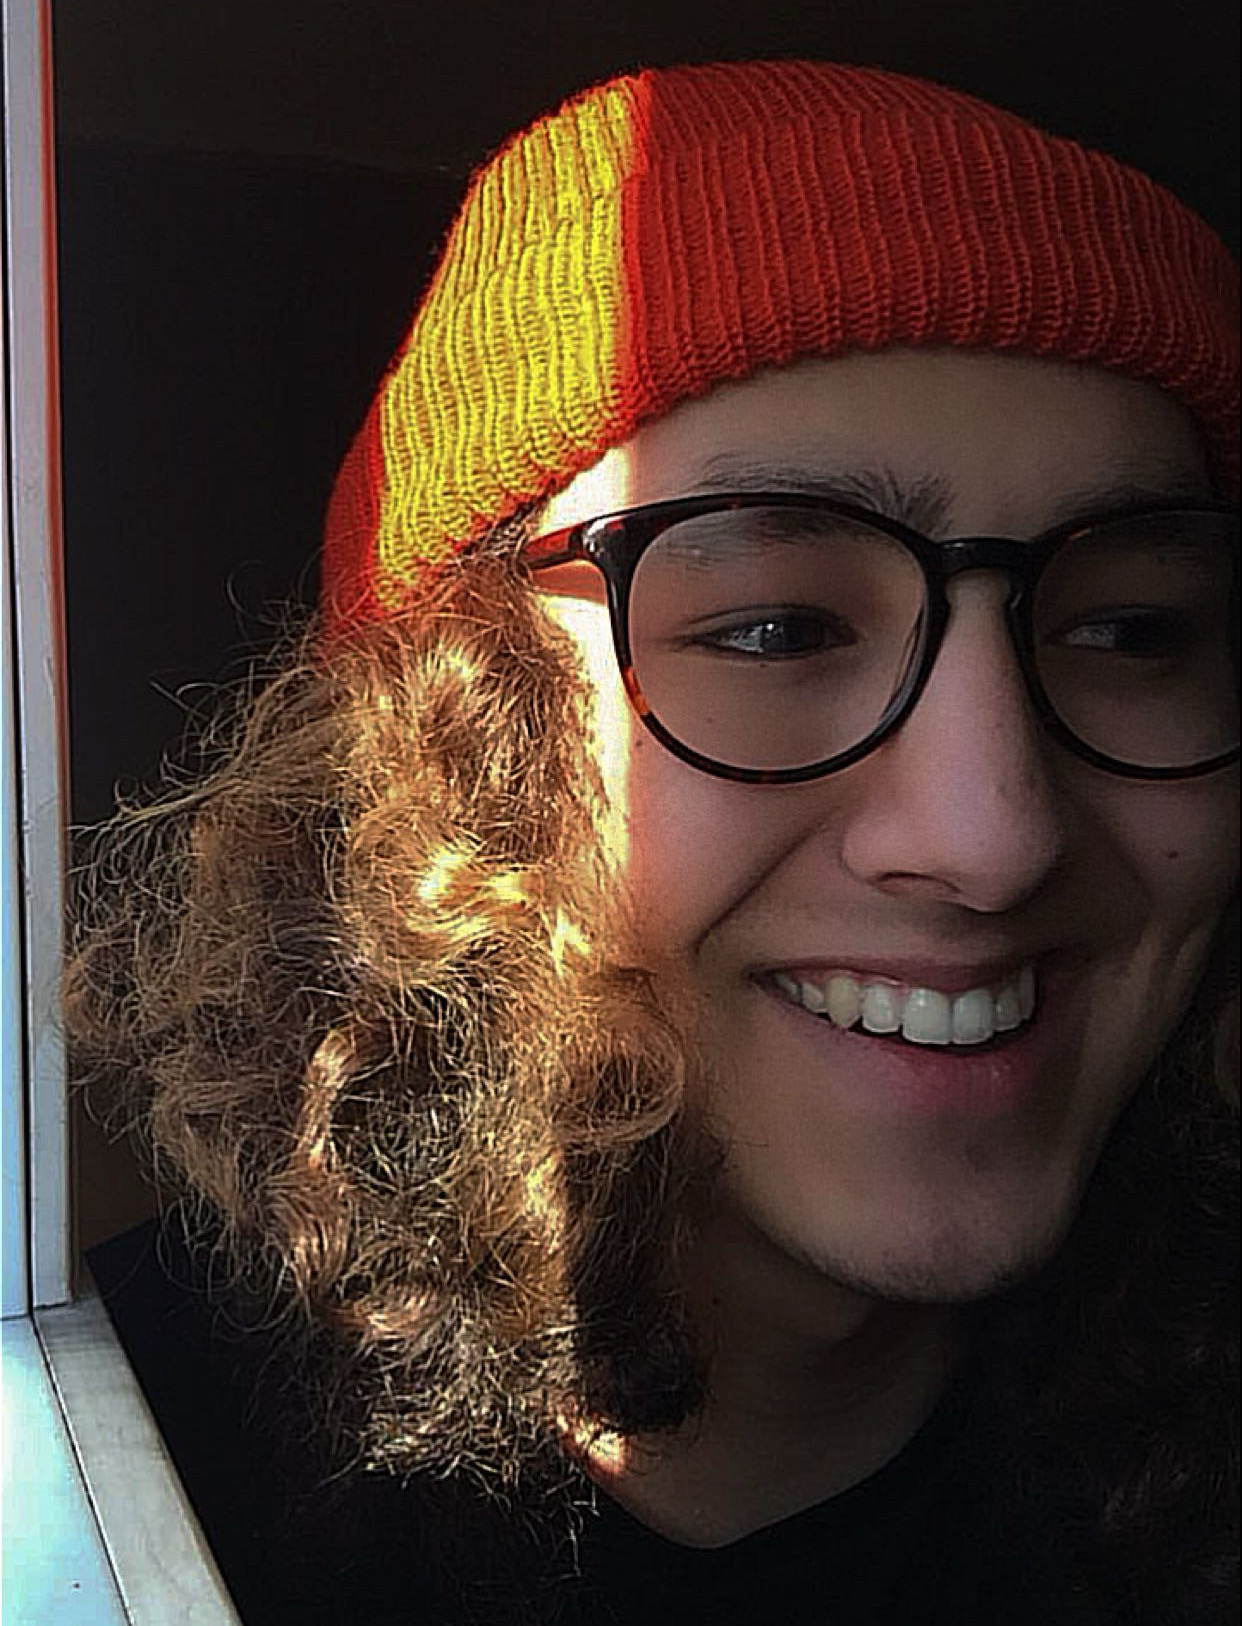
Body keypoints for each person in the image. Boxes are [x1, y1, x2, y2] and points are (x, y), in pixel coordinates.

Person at [69, 58, 1238, 1626]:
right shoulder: (86, 1471)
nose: (993, 836)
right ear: (439, 755)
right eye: (771, 627)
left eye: (1131, 629)